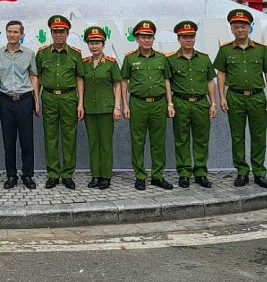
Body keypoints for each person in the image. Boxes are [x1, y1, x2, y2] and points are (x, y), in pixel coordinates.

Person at [213, 9, 267, 189]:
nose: (240, 30)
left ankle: (259, 173)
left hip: (257, 98)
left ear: (249, 28)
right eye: (236, 27)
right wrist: (222, 97)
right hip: (235, 97)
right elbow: (221, 74)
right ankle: (242, 172)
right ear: (231, 29)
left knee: (259, 136)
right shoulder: (225, 50)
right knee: (237, 136)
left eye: (243, 26)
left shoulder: (261, 49)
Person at [121, 20, 174, 191]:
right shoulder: (130, 58)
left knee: (158, 141)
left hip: (159, 103)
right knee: (138, 140)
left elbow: (166, 80)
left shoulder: (161, 58)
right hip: (137, 103)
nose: (146, 40)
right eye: (143, 37)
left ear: (153, 38)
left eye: (149, 37)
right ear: (136, 39)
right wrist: (125, 105)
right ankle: (140, 176)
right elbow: (123, 81)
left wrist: (170, 103)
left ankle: (158, 175)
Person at [35, 15, 84, 189]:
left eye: (62, 32)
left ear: (67, 33)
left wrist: (80, 103)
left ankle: (68, 174)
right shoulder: (42, 53)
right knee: (50, 136)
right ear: (51, 32)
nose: (58, 35)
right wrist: (37, 99)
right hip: (48, 97)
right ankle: (53, 173)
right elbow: (38, 77)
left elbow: (79, 79)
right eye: (55, 32)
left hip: (69, 98)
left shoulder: (75, 54)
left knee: (69, 137)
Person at [167, 21, 217, 189]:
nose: (188, 40)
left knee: (202, 139)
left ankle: (201, 172)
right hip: (181, 102)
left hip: (201, 103)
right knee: (181, 140)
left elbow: (210, 82)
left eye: (191, 37)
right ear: (178, 39)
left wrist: (213, 103)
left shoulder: (204, 58)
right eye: (185, 37)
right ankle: (184, 173)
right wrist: (170, 103)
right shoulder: (171, 60)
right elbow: (168, 83)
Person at [0, 20, 39, 190]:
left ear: (22, 34)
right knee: (8, 140)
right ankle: (11, 175)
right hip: (5, 100)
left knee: (27, 140)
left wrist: (36, 100)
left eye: (16, 32)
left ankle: (27, 175)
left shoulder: (29, 53)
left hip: (25, 100)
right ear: (6, 33)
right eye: (9, 31)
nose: (12, 35)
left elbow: (33, 76)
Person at [80, 26, 123, 190]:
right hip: (90, 108)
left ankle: (106, 176)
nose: (94, 46)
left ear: (103, 44)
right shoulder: (84, 63)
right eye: (91, 42)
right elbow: (81, 84)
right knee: (93, 143)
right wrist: (81, 104)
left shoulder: (111, 63)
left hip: (106, 108)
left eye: (97, 42)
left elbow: (117, 85)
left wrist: (117, 107)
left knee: (105, 143)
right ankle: (95, 175)